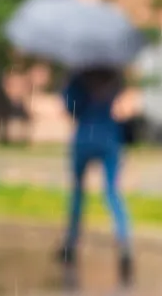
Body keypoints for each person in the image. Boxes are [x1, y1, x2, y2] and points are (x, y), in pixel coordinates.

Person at [57, 66, 133, 286]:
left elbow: (71, 107)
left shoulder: (77, 75)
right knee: (112, 192)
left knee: (78, 193)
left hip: (84, 137)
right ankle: (124, 240)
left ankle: (71, 243)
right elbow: (119, 100)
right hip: (110, 137)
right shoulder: (113, 73)